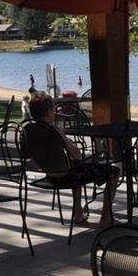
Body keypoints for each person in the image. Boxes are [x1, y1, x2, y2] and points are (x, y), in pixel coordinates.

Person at [26, 92, 119, 228]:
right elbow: (76, 154)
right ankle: (105, 217)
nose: (54, 113)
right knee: (114, 172)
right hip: (67, 175)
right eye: (53, 110)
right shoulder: (53, 130)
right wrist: (63, 136)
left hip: (50, 175)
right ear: (47, 113)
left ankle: (78, 213)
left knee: (76, 168)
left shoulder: (29, 130)